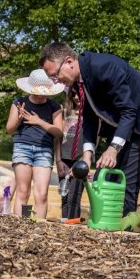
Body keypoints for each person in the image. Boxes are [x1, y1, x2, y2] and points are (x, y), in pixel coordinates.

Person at [40, 42, 140, 216]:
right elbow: (89, 117)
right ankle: (106, 227)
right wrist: (87, 155)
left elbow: (129, 110)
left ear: (69, 61)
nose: (55, 81)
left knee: (126, 185)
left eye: (54, 75)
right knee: (103, 178)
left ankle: (125, 232)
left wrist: (113, 149)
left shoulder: (104, 67)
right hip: (119, 127)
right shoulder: (77, 80)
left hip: (138, 126)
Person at [6, 69, 64, 219]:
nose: (41, 95)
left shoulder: (54, 106)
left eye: (44, 92)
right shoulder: (20, 102)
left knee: (41, 194)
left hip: (44, 150)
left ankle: (38, 227)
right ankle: (22, 223)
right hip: (22, 147)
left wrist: (39, 121)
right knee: (23, 191)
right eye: (37, 92)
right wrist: (19, 118)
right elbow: (9, 129)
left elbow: (59, 132)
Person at [56, 87, 85, 219]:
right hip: (64, 158)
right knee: (65, 196)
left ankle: (73, 225)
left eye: (79, 95)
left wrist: (84, 161)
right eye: (73, 95)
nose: (76, 98)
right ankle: (63, 225)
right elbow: (58, 137)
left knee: (75, 197)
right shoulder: (65, 112)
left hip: (80, 160)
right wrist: (58, 160)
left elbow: (93, 141)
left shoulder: (91, 115)